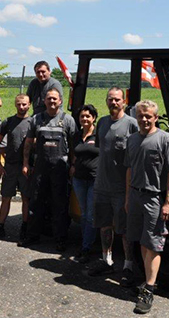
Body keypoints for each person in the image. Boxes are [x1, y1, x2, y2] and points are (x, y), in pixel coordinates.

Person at [125, 100, 169, 314]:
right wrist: (128, 197)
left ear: (156, 117)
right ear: (136, 117)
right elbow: (129, 170)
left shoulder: (165, 139)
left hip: (154, 200)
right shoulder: (132, 140)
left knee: (154, 243)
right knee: (143, 240)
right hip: (136, 195)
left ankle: (149, 289)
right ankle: (145, 282)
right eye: (141, 116)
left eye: (149, 116)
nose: (145, 119)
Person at [87, 87, 139, 283]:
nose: (114, 102)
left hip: (122, 189)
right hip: (102, 186)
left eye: (117, 99)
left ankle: (128, 265)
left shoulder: (132, 125)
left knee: (124, 229)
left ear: (124, 102)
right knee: (104, 225)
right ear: (106, 101)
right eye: (111, 99)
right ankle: (106, 261)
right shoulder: (102, 123)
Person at [21, 88, 76, 251]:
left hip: (60, 168)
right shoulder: (36, 119)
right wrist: (25, 162)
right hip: (40, 167)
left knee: (59, 204)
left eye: (55, 99)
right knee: (36, 201)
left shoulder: (68, 120)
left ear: (60, 101)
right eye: (49, 99)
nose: (52, 101)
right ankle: (32, 235)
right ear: (44, 101)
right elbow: (29, 143)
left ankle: (60, 238)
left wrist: (73, 165)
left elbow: (73, 146)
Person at [0, 94, 32, 241]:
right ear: (15, 104)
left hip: (26, 168)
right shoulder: (8, 122)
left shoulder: (33, 123)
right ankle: (0, 226)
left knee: (26, 199)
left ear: (29, 105)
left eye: (24, 104)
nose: (21, 107)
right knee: (6, 197)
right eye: (19, 104)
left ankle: (25, 228)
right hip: (10, 167)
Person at [69, 104, 99, 263]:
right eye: (82, 116)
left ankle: (86, 247)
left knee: (90, 214)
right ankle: (85, 244)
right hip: (79, 179)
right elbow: (75, 154)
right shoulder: (77, 135)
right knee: (83, 213)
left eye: (88, 116)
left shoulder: (98, 135)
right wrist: (73, 166)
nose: (85, 119)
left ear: (94, 117)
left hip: (94, 179)